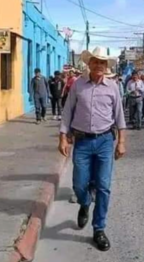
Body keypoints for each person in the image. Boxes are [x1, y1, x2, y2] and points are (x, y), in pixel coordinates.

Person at [59, 46, 126, 252]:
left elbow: (119, 115)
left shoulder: (113, 86)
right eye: (95, 61)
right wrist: (63, 137)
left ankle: (99, 229)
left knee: (104, 186)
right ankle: (85, 203)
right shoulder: (78, 85)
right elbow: (67, 111)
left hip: (105, 141)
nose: (99, 65)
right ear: (89, 64)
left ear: (106, 67)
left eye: (102, 62)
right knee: (80, 184)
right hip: (82, 142)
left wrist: (121, 141)